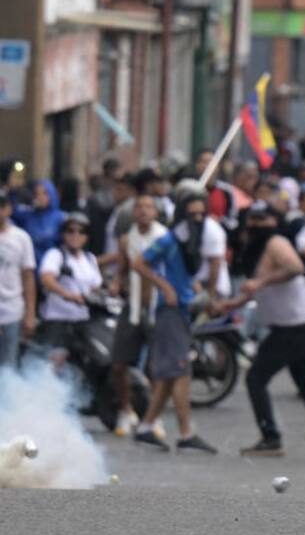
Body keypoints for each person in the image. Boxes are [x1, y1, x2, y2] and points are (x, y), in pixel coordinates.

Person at [220, 203, 305, 457]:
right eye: (253, 219)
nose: (257, 224)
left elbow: (295, 268)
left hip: (298, 326)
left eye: (263, 218)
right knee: (302, 377)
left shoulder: (276, 242)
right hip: (298, 323)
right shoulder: (259, 249)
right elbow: (259, 287)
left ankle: (271, 438)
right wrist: (232, 305)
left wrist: (260, 281)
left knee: (255, 378)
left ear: (274, 221)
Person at [130, 185, 218, 455]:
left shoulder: (188, 240)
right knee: (181, 372)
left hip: (182, 309)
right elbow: (139, 262)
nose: (198, 219)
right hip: (169, 311)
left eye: (202, 214)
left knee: (170, 375)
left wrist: (198, 290)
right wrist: (164, 287)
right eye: (193, 214)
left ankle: (146, 428)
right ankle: (186, 433)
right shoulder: (169, 239)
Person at [110, 194, 168, 437]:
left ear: (155, 212)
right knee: (119, 364)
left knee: (157, 368)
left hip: (157, 308)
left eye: (148, 206)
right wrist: (115, 282)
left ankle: (155, 417)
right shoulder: (126, 240)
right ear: (133, 213)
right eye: (139, 207)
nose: (143, 211)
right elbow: (122, 269)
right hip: (132, 307)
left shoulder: (165, 238)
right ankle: (126, 410)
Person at [36, 213, 103, 365]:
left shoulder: (90, 259)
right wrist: (69, 295)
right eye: (71, 231)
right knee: (53, 364)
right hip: (58, 320)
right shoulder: (56, 255)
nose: (75, 235)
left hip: (82, 321)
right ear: (63, 234)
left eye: (81, 231)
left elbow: (96, 286)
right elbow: (46, 279)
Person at [0, 191, 36, 367]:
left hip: (12, 311)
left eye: (1, 206)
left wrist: (30, 314)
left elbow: (28, 278)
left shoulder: (21, 238)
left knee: (8, 366)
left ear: (9, 209)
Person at [16, 179, 65, 265]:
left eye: (44, 193)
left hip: (51, 267)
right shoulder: (27, 216)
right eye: (37, 194)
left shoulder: (60, 217)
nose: (40, 197)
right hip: (30, 266)